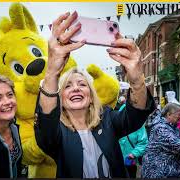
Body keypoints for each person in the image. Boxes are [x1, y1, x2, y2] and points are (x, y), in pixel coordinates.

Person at [34, 11, 155, 178]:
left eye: (82, 84)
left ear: (90, 96)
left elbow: (137, 113)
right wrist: (52, 72)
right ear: (59, 97)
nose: (76, 88)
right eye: (68, 86)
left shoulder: (107, 119)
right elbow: (45, 124)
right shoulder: (57, 131)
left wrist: (136, 79)